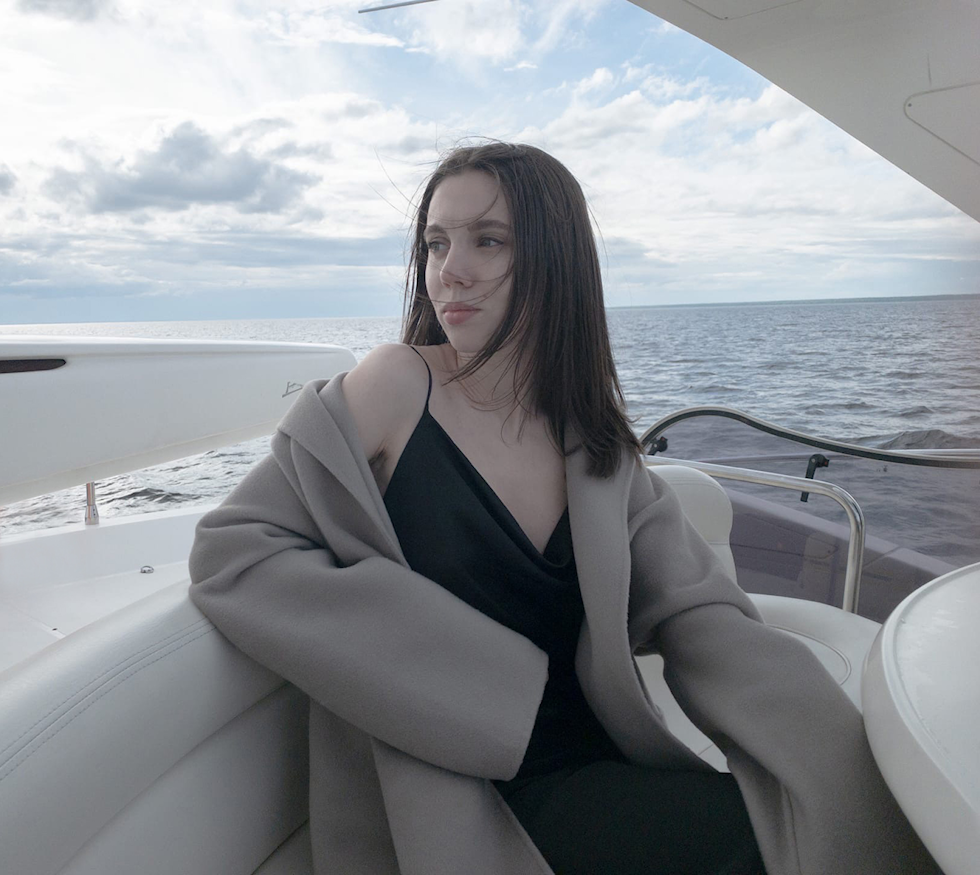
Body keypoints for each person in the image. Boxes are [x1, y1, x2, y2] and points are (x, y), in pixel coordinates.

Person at [189, 142, 938, 875]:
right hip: (464, 788)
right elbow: (236, 549)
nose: (450, 269)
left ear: (557, 260)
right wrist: (482, 679)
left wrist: (853, 761)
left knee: (816, 832)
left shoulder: (593, 438)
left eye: (488, 241)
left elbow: (697, 611)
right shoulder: (395, 385)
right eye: (436, 243)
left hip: (598, 760)